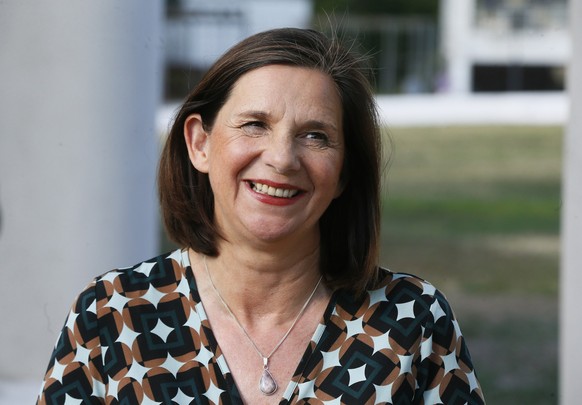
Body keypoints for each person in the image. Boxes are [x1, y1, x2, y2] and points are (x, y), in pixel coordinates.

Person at [38, 28, 485, 404]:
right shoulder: (110, 317)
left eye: (315, 136)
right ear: (199, 143)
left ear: (345, 172)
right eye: (254, 124)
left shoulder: (410, 321)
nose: (282, 159)